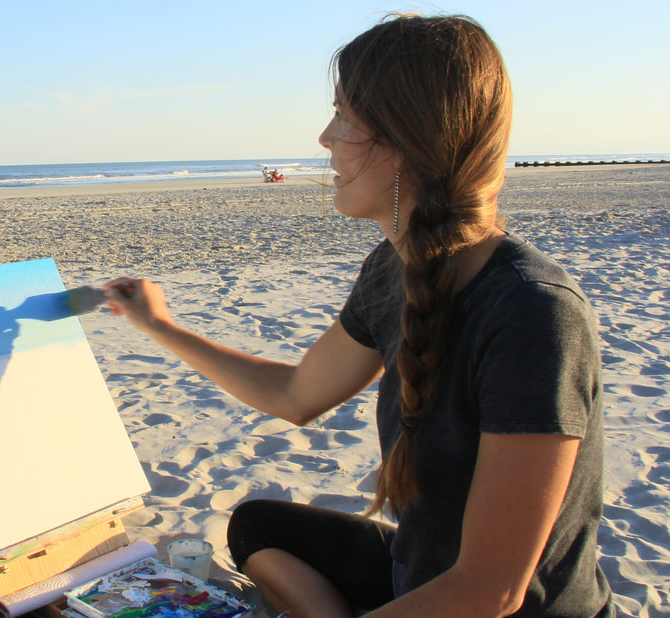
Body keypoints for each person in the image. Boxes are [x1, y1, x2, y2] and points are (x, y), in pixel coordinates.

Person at [104, 14, 612, 617]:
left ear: (404, 143)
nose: (324, 137)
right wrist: (162, 328)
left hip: (497, 608)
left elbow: (491, 591)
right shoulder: (392, 270)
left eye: (342, 115)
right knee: (256, 527)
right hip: (419, 578)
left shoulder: (534, 314)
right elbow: (296, 394)